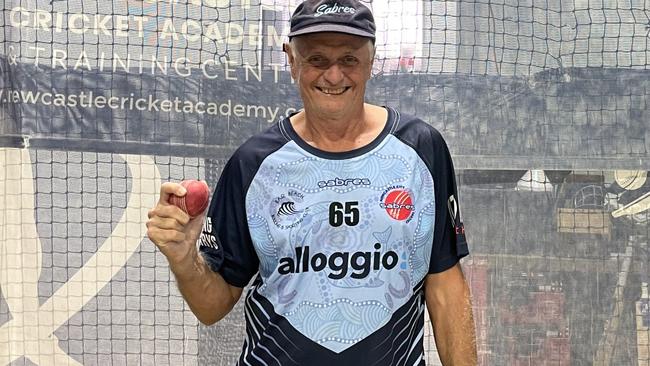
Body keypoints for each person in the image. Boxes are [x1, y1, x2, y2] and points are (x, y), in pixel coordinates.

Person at [146, 0, 477, 364]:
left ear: (371, 60)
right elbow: (212, 306)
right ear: (291, 60)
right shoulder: (254, 163)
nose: (333, 76)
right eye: (317, 59)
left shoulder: (421, 149)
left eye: (348, 59)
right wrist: (183, 259)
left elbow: (445, 286)